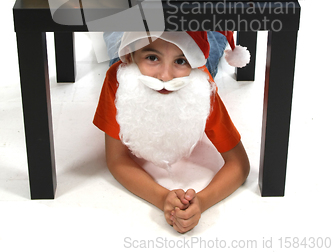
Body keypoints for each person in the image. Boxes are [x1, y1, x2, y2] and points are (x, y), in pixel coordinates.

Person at [93, 31, 250, 234]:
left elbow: (239, 164)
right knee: (115, 34)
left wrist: (202, 201)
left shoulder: (201, 87)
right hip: (129, 41)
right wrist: (161, 197)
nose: (165, 77)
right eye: (152, 58)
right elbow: (116, 159)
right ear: (131, 57)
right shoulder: (119, 79)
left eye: (181, 61)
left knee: (213, 38)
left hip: (200, 44)